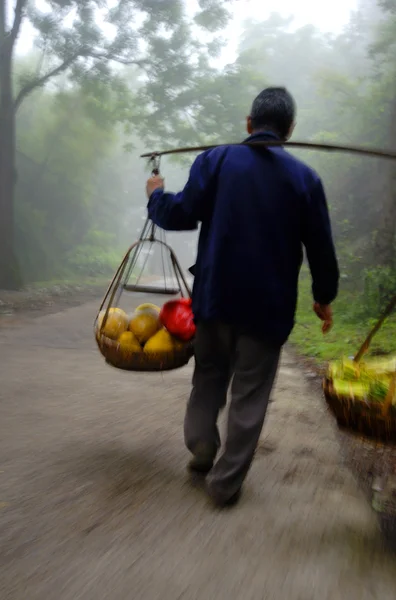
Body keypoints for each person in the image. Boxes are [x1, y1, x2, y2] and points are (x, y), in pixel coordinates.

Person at [145, 87, 339, 508]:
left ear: (249, 124)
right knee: (250, 393)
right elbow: (321, 247)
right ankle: (225, 483)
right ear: (289, 131)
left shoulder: (216, 160)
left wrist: (156, 195)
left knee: (209, 374)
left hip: (215, 299)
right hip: (267, 310)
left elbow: (179, 213)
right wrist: (324, 296)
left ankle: (200, 443)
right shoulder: (306, 180)